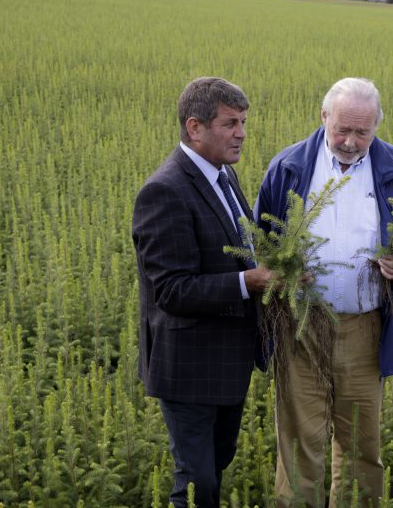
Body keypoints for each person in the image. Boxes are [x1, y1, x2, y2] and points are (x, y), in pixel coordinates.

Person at [254, 77, 393, 507]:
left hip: (365, 331)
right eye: (343, 130)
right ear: (323, 118)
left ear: (376, 127)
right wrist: (279, 272)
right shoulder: (289, 168)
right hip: (300, 328)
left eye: (362, 132)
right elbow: (257, 244)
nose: (351, 142)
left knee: (360, 447)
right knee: (300, 445)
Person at [132, 77, 274, 508]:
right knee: (196, 484)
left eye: (244, 122)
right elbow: (172, 290)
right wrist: (249, 282)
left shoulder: (224, 175)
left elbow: (238, 248)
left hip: (227, 362)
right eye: (231, 123)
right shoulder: (165, 191)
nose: (242, 133)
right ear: (195, 128)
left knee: (216, 463)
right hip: (189, 366)